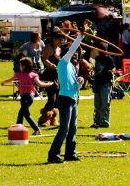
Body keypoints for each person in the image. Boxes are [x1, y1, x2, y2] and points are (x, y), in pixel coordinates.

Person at [48, 33, 84, 164]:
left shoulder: (73, 68)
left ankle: (70, 153)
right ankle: (53, 155)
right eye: (72, 53)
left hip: (73, 99)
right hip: (65, 99)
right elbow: (73, 48)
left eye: (76, 53)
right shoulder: (63, 63)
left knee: (73, 128)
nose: (74, 54)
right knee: (64, 128)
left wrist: (80, 81)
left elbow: (75, 86)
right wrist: (81, 36)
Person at [3, 57, 54, 136]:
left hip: (25, 97)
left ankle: (37, 130)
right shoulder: (33, 74)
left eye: (20, 65)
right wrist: (49, 84)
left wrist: (3, 82)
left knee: (26, 114)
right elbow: (40, 84)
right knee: (21, 113)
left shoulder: (19, 74)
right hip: (29, 97)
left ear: (23, 66)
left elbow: (10, 80)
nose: (20, 67)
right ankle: (18, 129)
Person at [39, 35, 62, 126]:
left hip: (57, 75)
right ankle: (44, 118)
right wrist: (51, 65)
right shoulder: (49, 47)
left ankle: (53, 118)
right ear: (54, 39)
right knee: (51, 98)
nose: (60, 41)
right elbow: (44, 59)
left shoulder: (59, 49)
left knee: (57, 99)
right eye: (59, 39)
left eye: (61, 39)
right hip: (49, 75)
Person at [90, 44, 115, 128]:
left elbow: (113, 69)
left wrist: (109, 72)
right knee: (97, 104)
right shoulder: (97, 58)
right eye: (99, 50)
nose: (100, 51)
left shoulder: (109, 59)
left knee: (105, 103)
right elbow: (94, 68)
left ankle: (105, 121)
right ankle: (97, 121)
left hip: (105, 83)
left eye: (102, 50)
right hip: (97, 83)